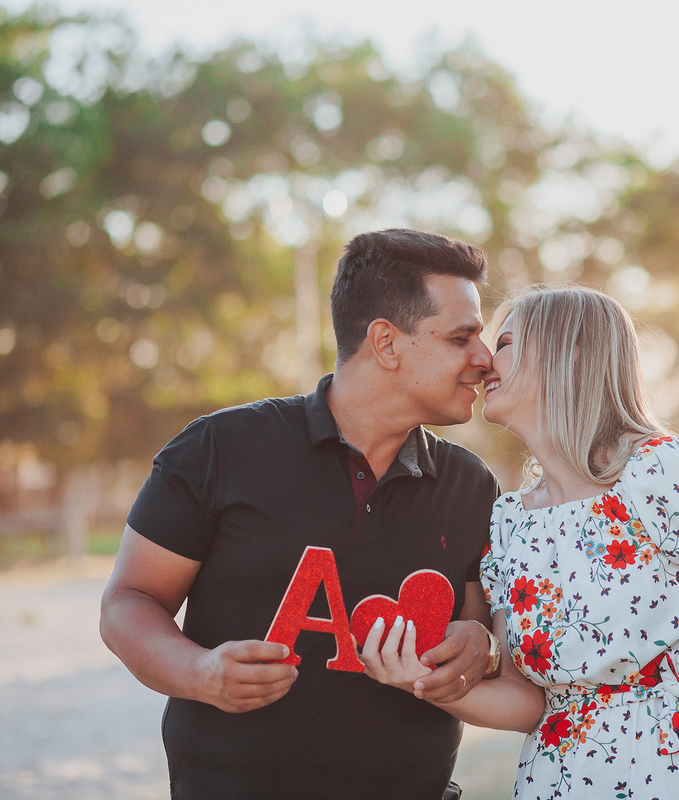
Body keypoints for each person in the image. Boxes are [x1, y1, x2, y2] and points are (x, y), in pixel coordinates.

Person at [362, 285, 679, 799]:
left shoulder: (668, 471)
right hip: (552, 783)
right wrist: (422, 684)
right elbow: (524, 701)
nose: (488, 360)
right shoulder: (512, 522)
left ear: (571, 352)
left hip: (671, 775)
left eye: (507, 341)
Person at [99, 228, 508, 800]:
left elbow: (480, 629)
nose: (485, 359)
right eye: (461, 337)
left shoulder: (472, 485)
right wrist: (201, 673)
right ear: (386, 343)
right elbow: (128, 602)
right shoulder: (219, 448)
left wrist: (480, 644)